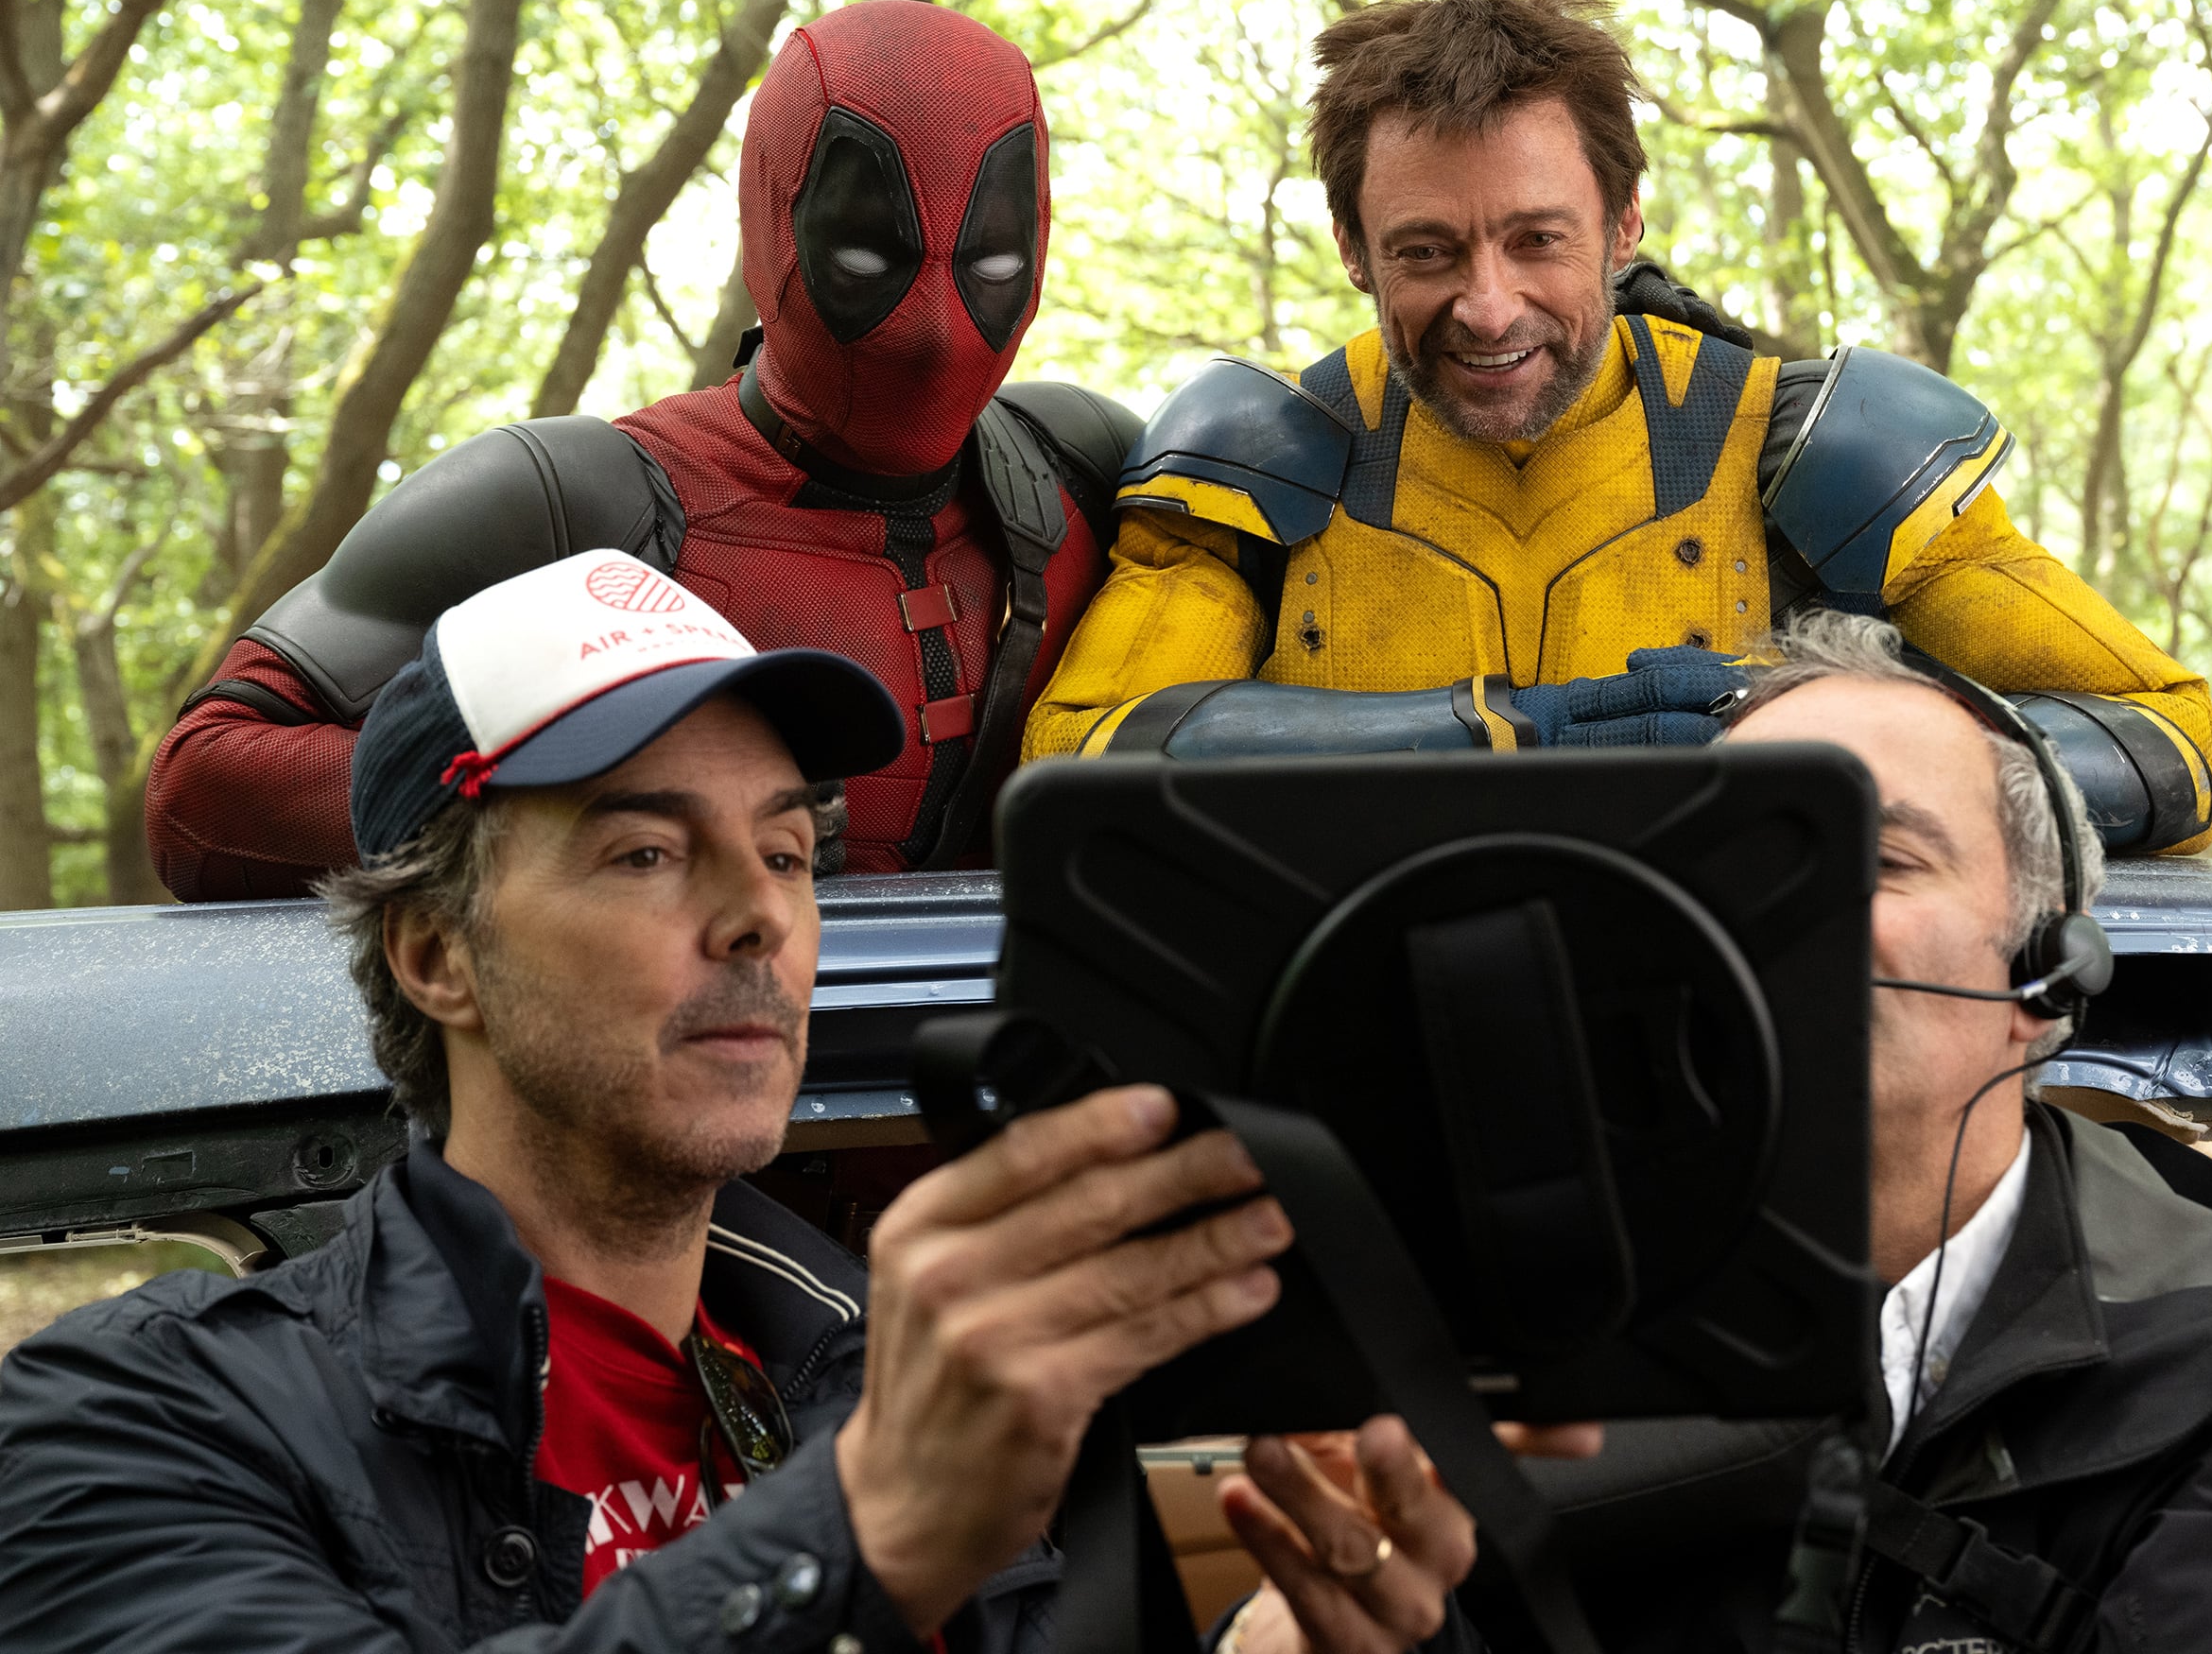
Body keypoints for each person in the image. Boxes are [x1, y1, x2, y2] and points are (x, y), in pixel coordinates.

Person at [0, 552, 1491, 1654]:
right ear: (437, 952)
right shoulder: (138, 1420)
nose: (758, 920)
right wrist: (869, 1528)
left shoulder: (874, 1373)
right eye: (647, 854)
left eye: (785, 855)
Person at [1021, 0, 2212, 858]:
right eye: (1427, 251)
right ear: (1352, 250)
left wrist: (1819, 759)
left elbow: (2167, 744)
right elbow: (1070, 766)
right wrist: (1499, 737)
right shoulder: (1263, 456)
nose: (1489, 308)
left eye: (1537, 238)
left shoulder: (1809, 451)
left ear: (1624, 223)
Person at [1496, 609, 2212, 1654]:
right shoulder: (1543, 1335)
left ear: (2044, 972)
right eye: (1732, 858)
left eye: (1877, 858)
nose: (1775, 910)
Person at [147, 0, 1139, 901]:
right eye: (869, 254)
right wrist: (601, 807)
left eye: (990, 259)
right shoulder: (569, 506)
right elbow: (203, 784)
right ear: (772, 212)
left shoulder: (1091, 474)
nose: (931, 329)